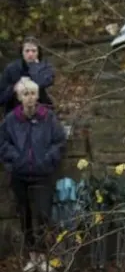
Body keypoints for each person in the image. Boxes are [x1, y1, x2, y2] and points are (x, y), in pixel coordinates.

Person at [0, 77, 65, 272]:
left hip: (42, 174)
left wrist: (47, 159)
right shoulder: (11, 120)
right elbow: (3, 143)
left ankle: (44, 257)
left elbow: (59, 141)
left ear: (37, 96)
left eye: (32, 94)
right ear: (19, 97)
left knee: (43, 216)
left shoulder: (48, 117)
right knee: (25, 216)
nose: (29, 98)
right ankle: (32, 258)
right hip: (20, 175)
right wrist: (17, 159)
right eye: (25, 94)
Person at [0, 36, 55, 115]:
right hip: (15, 111)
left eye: (34, 51)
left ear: (38, 52)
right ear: (22, 52)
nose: (30, 54)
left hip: (40, 109)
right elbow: (1, 98)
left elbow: (43, 82)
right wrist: (14, 88)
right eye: (27, 51)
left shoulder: (45, 67)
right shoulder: (11, 69)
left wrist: (34, 67)